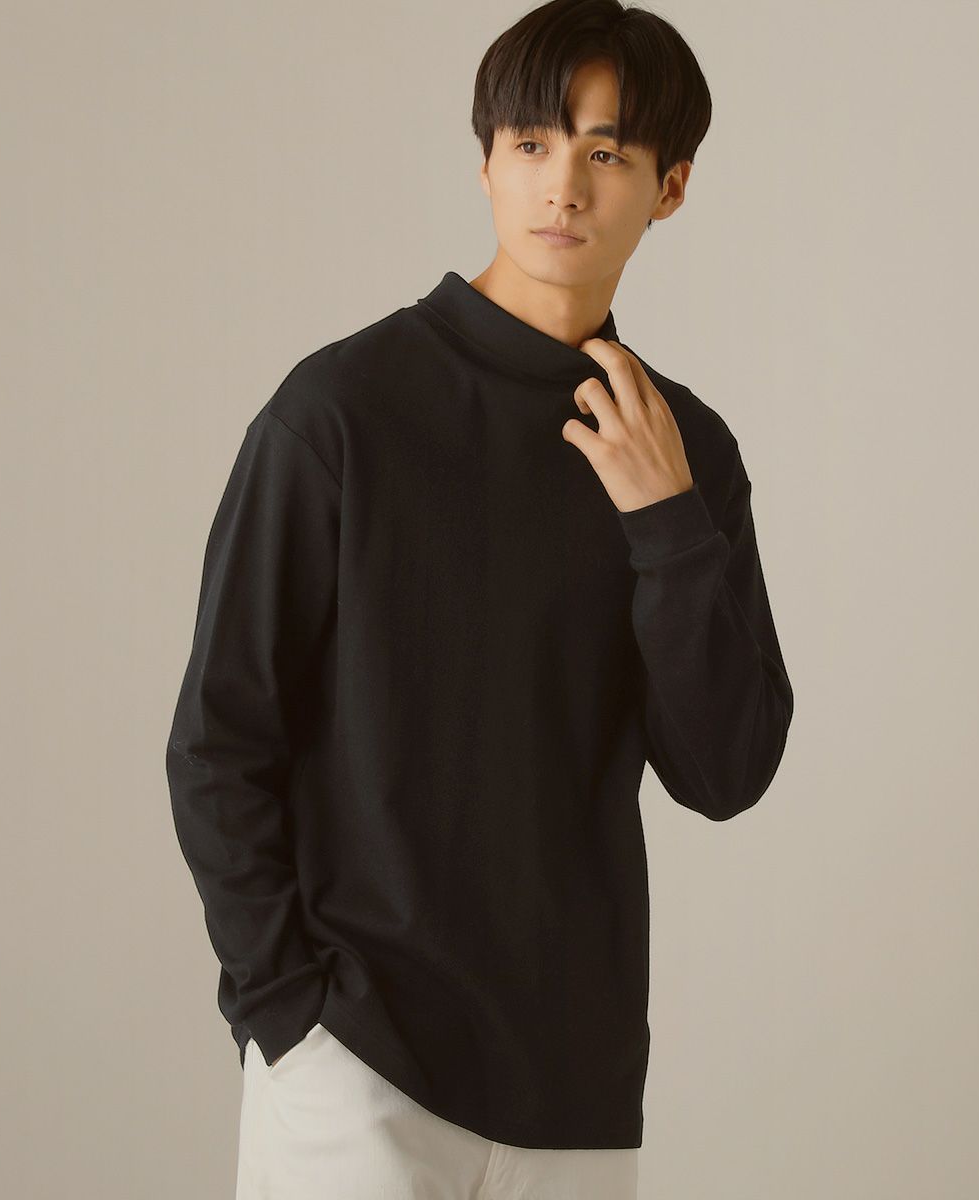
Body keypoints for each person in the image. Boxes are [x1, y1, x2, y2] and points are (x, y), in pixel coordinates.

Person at [165, 1, 794, 1196]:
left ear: (668, 188)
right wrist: (287, 1014)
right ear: (487, 163)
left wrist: (667, 526)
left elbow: (725, 771)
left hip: (576, 1090)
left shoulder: (684, 450)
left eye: (606, 152)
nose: (563, 186)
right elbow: (218, 738)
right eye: (532, 143)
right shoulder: (341, 412)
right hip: (355, 1070)